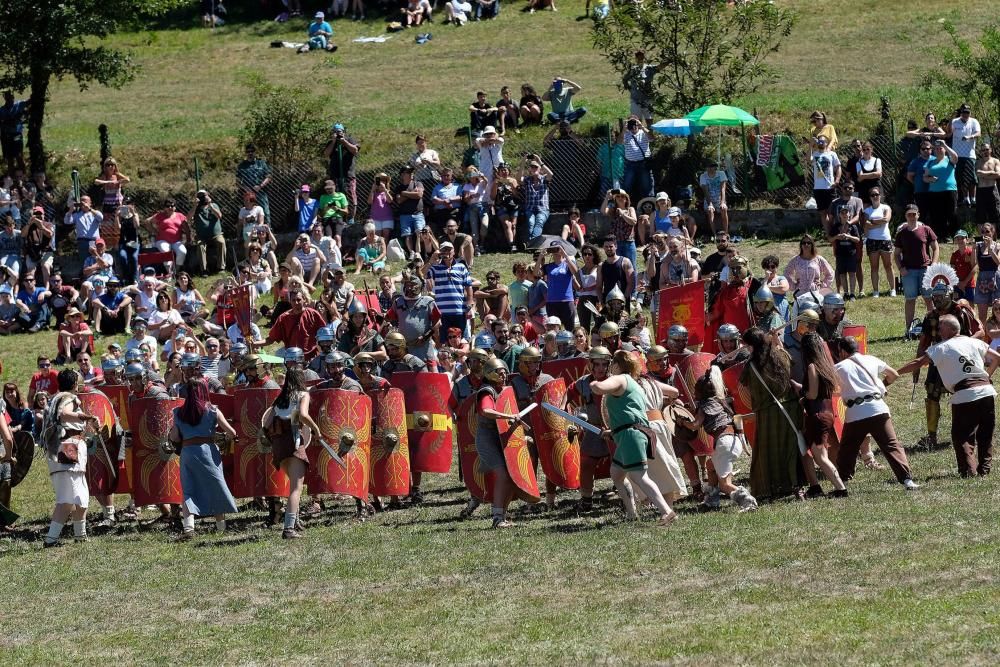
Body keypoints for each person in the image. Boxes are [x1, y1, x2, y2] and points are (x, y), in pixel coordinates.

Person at [898, 314, 997, 477]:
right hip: (986, 392)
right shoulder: (974, 342)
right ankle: (984, 471)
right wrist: (987, 376)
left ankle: (968, 471)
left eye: (941, 327)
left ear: (951, 329)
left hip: (964, 395)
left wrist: (895, 373)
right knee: (985, 433)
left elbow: (918, 363)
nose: (938, 330)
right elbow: (997, 358)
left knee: (961, 435)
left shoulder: (941, 347)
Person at [590, 350, 678, 526]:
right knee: (617, 474)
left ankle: (667, 511)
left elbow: (598, 388)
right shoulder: (634, 383)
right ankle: (631, 513)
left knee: (639, 476)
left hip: (631, 434)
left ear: (616, 365)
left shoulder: (620, 378)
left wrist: (592, 380)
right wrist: (614, 431)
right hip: (628, 433)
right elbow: (627, 413)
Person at [830, 336, 919, 489]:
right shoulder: (871, 359)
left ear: (842, 351)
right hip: (878, 408)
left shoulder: (838, 367)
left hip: (856, 412)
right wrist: (881, 387)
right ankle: (907, 480)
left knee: (847, 448)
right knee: (891, 445)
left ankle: (843, 482)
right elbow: (894, 374)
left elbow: (832, 389)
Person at [167, 378, 238, 539]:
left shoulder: (178, 412)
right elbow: (232, 433)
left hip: (187, 453)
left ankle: (189, 528)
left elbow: (175, 437)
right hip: (208, 453)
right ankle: (220, 527)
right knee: (215, 487)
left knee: (188, 490)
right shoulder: (213, 410)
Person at [739, 327, 806, 500]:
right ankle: (796, 487)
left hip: (768, 413)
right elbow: (784, 353)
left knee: (769, 452)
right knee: (791, 449)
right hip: (790, 410)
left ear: (751, 346)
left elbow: (743, 386)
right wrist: (775, 339)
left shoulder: (751, 366)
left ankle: (772, 489)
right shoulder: (781, 356)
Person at [261, 368, 325, 539]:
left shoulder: (280, 399)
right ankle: (289, 528)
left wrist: (275, 439)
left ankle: (295, 520)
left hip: (279, 446)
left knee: (292, 486)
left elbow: (266, 425)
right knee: (296, 488)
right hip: (294, 443)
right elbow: (302, 415)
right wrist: (316, 430)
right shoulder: (303, 395)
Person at [41, 369, 99, 547]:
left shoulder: (55, 398)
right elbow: (64, 414)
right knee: (67, 498)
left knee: (80, 495)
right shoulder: (68, 397)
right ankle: (51, 539)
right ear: (75, 384)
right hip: (67, 447)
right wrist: (87, 416)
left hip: (64, 448)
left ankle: (80, 536)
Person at [798, 333, 849, 497]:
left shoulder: (812, 366)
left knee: (820, 457)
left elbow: (812, 394)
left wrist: (802, 395)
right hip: (827, 412)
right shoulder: (826, 365)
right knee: (820, 454)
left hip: (817, 414)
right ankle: (824, 488)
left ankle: (841, 489)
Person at [894, 204, 939, 332]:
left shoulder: (926, 229)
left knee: (929, 298)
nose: (912, 217)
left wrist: (933, 265)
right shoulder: (901, 233)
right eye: (909, 214)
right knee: (910, 300)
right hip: (908, 271)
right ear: (906, 216)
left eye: (914, 214)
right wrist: (900, 268)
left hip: (926, 269)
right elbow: (896, 254)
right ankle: (908, 329)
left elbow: (935, 248)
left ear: (918, 215)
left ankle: (933, 327)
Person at [425, 242, 474, 335]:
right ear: (440, 252)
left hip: (459, 310)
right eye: (443, 250)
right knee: (444, 341)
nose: (446, 252)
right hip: (441, 312)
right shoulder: (435, 268)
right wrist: (431, 260)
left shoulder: (461, 267)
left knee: (460, 340)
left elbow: (468, 286)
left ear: (454, 251)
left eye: (449, 249)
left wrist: (470, 303)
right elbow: (423, 274)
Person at [264, 289, 327, 360]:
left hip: (312, 357)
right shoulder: (283, 318)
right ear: (290, 301)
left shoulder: (313, 314)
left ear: (304, 300)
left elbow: (324, 334)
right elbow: (271, 339)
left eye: (299, 299)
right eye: (293, 300)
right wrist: (254, 344)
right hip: (292, 359)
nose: (296, 302)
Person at [323, 123, 360, 223]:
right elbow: (326, 154)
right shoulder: (331, 143)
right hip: (335, 174)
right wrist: (334, 141)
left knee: (350, 196)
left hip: (348, 174)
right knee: (336, 196)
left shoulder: (350, 140)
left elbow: (355, 150)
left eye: (340, 131)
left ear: (343, 132)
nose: (338, 133)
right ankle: (339, 217)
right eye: (336, 132)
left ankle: (351, 218)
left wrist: (344, 142)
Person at [923, 139, 959, 238]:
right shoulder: (930, 162)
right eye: (937, 149)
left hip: (949, 190)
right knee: (937, 214)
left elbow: (956, 157)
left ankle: (955, 236)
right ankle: (941, 236)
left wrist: (945, 145)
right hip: (934, 192)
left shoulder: (949, 159)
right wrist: (930, 179)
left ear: (944, 150)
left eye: (941, 148)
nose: (939, 150)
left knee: (952, 213)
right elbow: (925, 178)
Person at [951, 104, 981, 206]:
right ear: (961, 112)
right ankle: (966, 198)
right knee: (962, 178)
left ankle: (973, 198)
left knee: (972, 178)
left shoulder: (974, 121)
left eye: (967, 112)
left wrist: (970, 137)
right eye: (964, 112)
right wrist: (952, 117)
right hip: (957, 155)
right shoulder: (955, 121)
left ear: (970, 113)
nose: (965, 114)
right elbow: (948, 132)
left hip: (970, 155)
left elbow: (978, 133)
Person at [236, 144, 272, 225]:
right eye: (248, 151)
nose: (250, 153)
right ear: (246, 153)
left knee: (265, 212)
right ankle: (251, 233)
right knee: (250, 213)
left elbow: (268, 176)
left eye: (252, 151)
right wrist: (246, 188)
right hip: (248, 194)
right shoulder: (242, 166)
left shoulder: (261, 163)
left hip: (261, 192)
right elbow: (237, 182)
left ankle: (267, 231)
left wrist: (260, 186)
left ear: (255, 152)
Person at [394, 165, 426, 261]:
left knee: (419, 233)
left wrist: (404, 193)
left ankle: (418, 253)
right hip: (405, 215)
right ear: (402, 175)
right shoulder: (399, 187)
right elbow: (399, 200)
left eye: (411, 172)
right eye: (408, 172)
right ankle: (411, 252)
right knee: (407, 235)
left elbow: (419, 194)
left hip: (418, 213)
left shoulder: (418, 183)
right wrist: (412, 193)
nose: (411, 174)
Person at [811, 135, 841, 232]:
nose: (821, 143)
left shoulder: (832, 154)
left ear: (826, 143)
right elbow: (807, 159)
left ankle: (833, 231)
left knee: (831, 212)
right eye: (819, 141)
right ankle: (828, 233)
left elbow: (838, 167)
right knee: (823, 213)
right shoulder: (815, 154)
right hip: (818, 188)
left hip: (830, 187)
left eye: (823, 141)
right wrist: (810, 145)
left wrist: (837, 180)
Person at [830, 206, 861, 299]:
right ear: (839, 215)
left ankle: (852, 293)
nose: (844, 215)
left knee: (852, 273)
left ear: (849, 215)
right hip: (840, 254)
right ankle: (846, 293)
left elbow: (858, 239)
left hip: (851, 253)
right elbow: (830, 238)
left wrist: (848, 236)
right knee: (842, 274)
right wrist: (836, 237)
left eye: (846, 213)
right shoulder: (836, 226)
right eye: (842, 213)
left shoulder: (853, 226)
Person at [619, 117, 652, 205]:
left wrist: (643, 127)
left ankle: (647, 204)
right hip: (630, 164)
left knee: (646, 185)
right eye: (631, 124)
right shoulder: (626, 134)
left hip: (644, 163)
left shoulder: (643, 132)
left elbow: (652, 138)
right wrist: (623, 130)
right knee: (627, 185)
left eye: (635, 123)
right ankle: (625, 204)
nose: (633, 126)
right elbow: (619, 143)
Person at [520, 157, 553, 242]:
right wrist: (523, 163)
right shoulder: (527, 180)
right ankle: (533, 244)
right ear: (530, 169)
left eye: (536, 167)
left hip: (543, 209)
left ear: (540, 169)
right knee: (531, 224)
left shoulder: (544, 179)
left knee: (539, 222)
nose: (534, 169)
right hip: (530, 209)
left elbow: (551, 174)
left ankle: (531, 243)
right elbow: (518, 178)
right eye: (532, 167)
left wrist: (540, 161)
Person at [490, 163, 519, 251]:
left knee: (513, 225)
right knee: (507, 224)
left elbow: (517, 195)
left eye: (506, 170)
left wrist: (512, 187)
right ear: (498, 172)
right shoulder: (496, 182)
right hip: (501, 206)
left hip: (513, 205)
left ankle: (514, 244)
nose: (504, 172)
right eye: (502, 170)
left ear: (509, 171)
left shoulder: (513, 180)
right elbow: (492, 197)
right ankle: (511, 244)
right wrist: (495, 185)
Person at [0, 91, 28, 175]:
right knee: (10, 159)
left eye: (11, 97)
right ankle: (12, 179)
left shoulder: (19, 104)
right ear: (5, 98)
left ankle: (23, 177)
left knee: (19, 156)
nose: (10, 99)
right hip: (6, 136)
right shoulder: (1, 110)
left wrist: (25, 115)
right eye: (8, 98)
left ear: (13, 97)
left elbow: (30, 102)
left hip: (17, 135)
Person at [699, 163, 729, 235]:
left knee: (723, 209)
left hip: (719, 198)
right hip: (709, 199)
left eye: (711, 167)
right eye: (708, 167)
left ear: (715, 167)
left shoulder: (721, 174)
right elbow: (705, 191)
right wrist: (710, 204)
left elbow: (723, 189)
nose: (709, 168)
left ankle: (726, 233)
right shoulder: (703, 176)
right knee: (710, 211)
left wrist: (722, 202)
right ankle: (715, 234)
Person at [975, 144, 1000, 227]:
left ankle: (994, 237)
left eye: (986, 149)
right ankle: (981, 238)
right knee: (980, 214)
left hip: (992, 189)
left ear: (990, 149)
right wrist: (991, 173)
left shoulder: (995, 161)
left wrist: (984, 173)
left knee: (995, 213)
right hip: (981, 190)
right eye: (983, 150)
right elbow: (978, 174)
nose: (985, 152)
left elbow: (998, 175)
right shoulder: (978, 162)